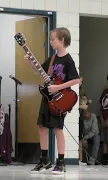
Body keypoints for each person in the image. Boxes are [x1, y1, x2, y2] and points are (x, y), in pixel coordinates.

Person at [24, 27, 80, 174]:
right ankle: (44, 161)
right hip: (47, 98)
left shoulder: (68, 60)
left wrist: (58, 87)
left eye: (53, 39)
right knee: (41, 127)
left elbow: (76, 80)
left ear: (62, 40)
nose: (50, 42)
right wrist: (31, 62)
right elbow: (39, 71)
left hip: (60, 99)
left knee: (57, 129)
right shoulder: (52, 59)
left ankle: (61, 162)